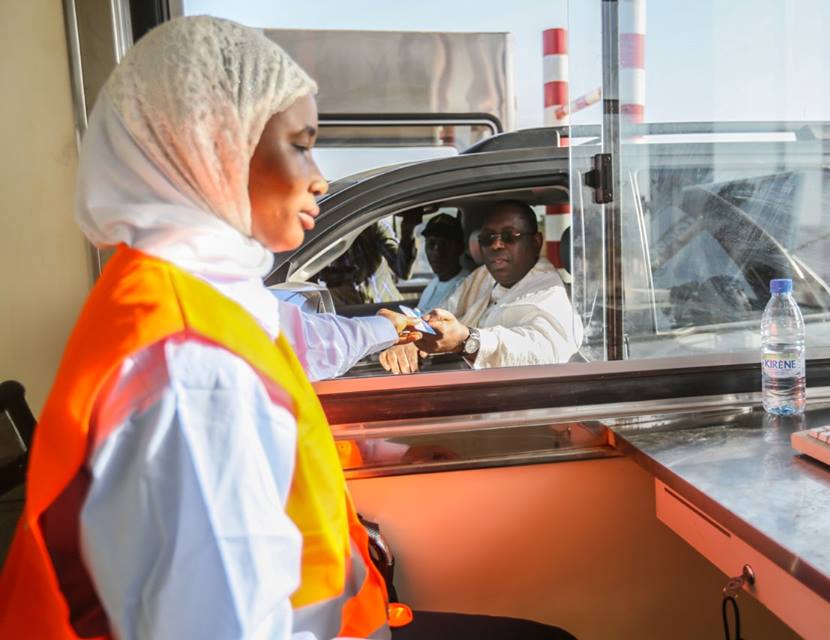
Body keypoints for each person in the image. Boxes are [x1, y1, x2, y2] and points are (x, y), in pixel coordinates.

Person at [0, 17, 574, 640]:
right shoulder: (191, 366)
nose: (320, 176)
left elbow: (303, 340)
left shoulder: (196, 293)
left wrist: (386, 327)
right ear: (216, 148)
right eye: (301, 145)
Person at [380, 201, 583, 374]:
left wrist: (467, 341)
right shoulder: (484, 275)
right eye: (488, 238)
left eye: (509, 236)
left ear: (536, 242)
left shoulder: (552, 296)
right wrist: (413, 336)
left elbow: (541, 352)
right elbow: (445, 312)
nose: (496, 245)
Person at [318, 214, 420, 305]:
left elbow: (403, 271)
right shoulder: (321, 235)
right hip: (349, 312)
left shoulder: (372, 227)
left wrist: (407, 231)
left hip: (385, 306)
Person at [416, 213, 471, 311]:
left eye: (444, 244)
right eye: (431, 244)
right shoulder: (432, 284)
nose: (436, 251)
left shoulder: (467, 286)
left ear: (460, 248)